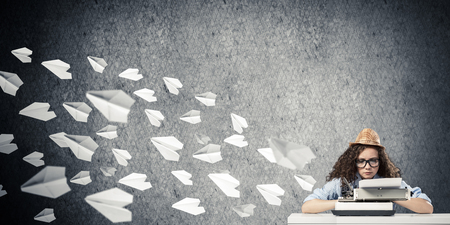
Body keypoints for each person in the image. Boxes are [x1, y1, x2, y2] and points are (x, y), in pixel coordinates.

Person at [301, 128, 433, 214]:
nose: (367, 166)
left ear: (380, 161)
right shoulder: (341, 183)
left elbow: (427, 208)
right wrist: (345, 201)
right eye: (361, 161)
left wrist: (388, 194)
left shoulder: (390, 183)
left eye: (373, 160)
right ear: (354, 161)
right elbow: (307, 207)